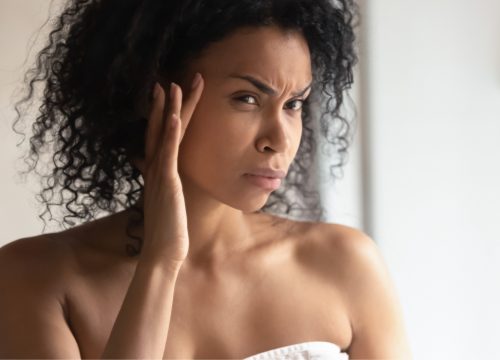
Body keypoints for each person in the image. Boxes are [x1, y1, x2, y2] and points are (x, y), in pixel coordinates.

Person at [0, 0, 412, 358]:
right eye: (246, 99)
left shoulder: (343, 263)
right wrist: (160, 262)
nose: (279, 140)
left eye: (294, 104)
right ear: (153, 95)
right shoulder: (36, 279)